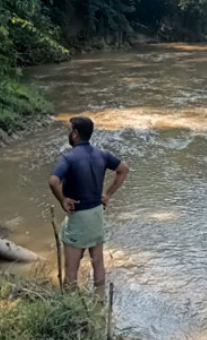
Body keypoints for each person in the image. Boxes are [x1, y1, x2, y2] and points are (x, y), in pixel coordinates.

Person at [49, 116, 129, 293]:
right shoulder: (102, 154)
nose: (69, 134)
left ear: (75, 134)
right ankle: (100, 301)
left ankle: (71, 305)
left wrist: (63, 200)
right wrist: (107, 195)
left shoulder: (68, 158)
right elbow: (123, 170)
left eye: (70, 130)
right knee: (98, 261)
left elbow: (54, 181)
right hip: (97, 213)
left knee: (71, 269)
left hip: (79, 217)